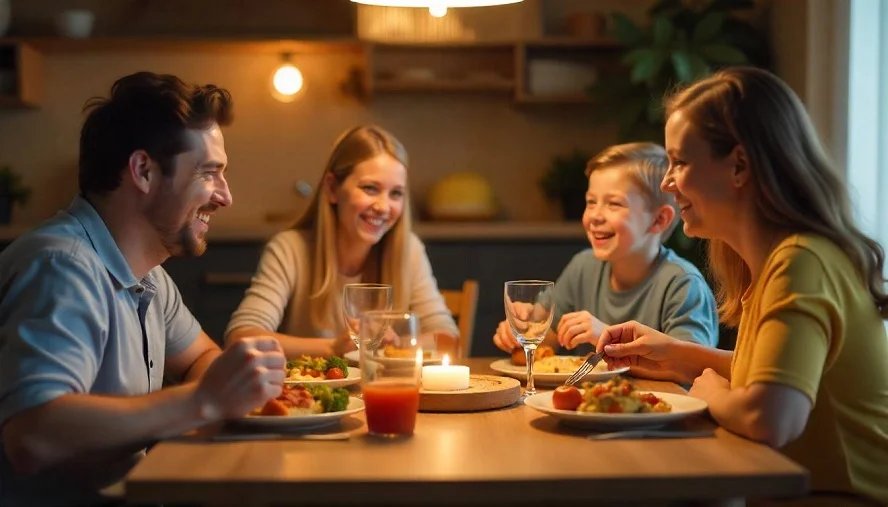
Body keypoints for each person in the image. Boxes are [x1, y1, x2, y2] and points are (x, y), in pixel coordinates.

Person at [596, 67, 888, 505]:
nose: (666, 181)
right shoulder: (778, 258)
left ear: (739, 165)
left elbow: (770, 418)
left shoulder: (801, 262)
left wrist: (708, 388)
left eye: (680, 162)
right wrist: (678, 358)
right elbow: (779, 376)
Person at [0, 72, 286, 507]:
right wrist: (203, 402)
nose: (225, 196)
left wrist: (231, 385)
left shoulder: (149, 276)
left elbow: (203, 359)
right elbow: (33, 435)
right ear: (144, 171)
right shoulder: (63, 266)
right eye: (209, 173)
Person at [226, 125, 459, 358]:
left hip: (385, 391)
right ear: (332, 188)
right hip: (312, 394)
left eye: (396, 193)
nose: (383, 206)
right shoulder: (289, 249)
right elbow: (241, 338)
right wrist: (333, 348)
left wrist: (397, 343)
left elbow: (449, 340)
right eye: (370, 188)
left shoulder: (409, 250)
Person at [493, 142, 719, 357]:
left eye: (614, 203)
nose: (595, 216)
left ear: (659, 220)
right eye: (591, 202)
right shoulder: (583, 267)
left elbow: (691, 367)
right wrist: (524, 329)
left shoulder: (683, 285)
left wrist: (607, 338)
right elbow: (547, 337)